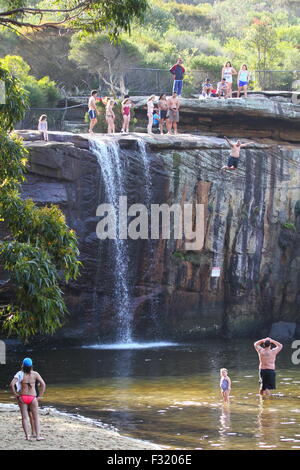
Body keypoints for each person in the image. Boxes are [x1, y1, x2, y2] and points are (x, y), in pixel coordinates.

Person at [10, 357, 46, 441]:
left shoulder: (19, 374)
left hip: (22, 397)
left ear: (22, 365)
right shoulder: (35, 374)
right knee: (36, 417)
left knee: (24, 418)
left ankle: (27, 436)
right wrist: (40, 396)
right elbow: (43, 384)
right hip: (33, 398)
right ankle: (37, 436)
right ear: (31, 366)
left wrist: (16, 395)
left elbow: (11, 385)